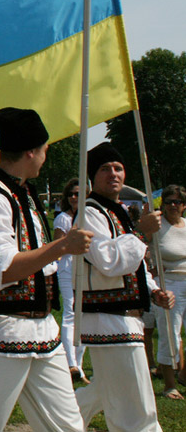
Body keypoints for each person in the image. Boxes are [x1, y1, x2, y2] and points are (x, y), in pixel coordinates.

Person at [0, 107, 92, 432]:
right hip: (2, 330)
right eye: (45, 148)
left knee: (68, 426)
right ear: (30, 151)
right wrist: (62, 246)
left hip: (43, 330)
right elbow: (2, 271)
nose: (46, 155)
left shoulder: (23, 195)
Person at [74, 142, 175, 430]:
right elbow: (108, 260)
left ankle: (58, 424)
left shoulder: (118, 211)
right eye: (105, 169)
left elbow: (135, 264)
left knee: (104, 390)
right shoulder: (89, 212)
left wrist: (153, 291)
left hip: (127, 318)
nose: (113, 174)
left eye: (118, 168)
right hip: (109, 318)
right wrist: (141, 233)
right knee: (137, 404)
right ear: (92, 177)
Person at [51, 178, 89, 384]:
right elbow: (57, 246)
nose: (74, 197)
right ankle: (70, 362)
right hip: (67, 269)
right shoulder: (63, 219)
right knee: (70, 312)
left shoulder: (90, 217)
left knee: (85, 316)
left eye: (78, 194)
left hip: (87, 270)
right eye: (71, 194)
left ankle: (79, 367)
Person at [155, 184, 186, 399]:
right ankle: (169, 385)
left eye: (177, 202)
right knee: (170, 335)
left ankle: (183, 374)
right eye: (169, 202)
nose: (173, 205)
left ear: (184, 205)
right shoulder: (157, 226)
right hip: (169, 284)